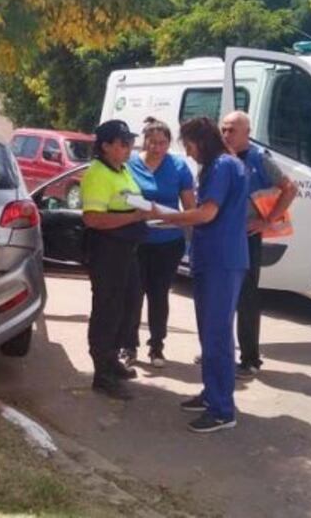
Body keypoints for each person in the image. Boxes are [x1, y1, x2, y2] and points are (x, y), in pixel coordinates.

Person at [156, 117, 249, 433]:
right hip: (214, 259)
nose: (190, 153)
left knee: (217, 335)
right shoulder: (221, 165)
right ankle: (213, 394)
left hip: (221, 260)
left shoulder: (223, 166)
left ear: (202, 141)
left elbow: (207, 212)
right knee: (211, 333)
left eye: (190, 145)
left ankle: (222, 410)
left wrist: (166, 216)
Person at [220, 111, 297, 379]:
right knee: (221, 297)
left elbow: (290, 188)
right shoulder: (221, 157)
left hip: (247, 238)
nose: (227, 134)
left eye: (232, 130)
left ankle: (250, 358)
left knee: (247, 298)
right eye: (224, 129)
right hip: (221, 236)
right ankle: (221, 350)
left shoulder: (259, 159)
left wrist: (268, 222)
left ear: (246, 132)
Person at [80, 119, 152, 400]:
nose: (128, 148)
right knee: (107, 309)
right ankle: (102, 373)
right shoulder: (98, 173)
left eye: (130, 143)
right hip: (107, 251)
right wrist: (134, 217)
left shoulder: (122, 170)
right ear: (106, 146)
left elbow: (131, 200)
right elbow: (92, 218)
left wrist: (146, 211)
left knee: (128, 303)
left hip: (127, 250)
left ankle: (111, 359)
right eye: (122, 143)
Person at [119, 117, 195, 369]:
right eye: (152, 142)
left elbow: (190, 207)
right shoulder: (129, 165)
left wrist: (175, 220)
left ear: (169, 144)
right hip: (136, 240)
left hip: (168, 241)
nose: (157, 148)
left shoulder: (179, 166)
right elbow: (120, 198)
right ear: (144, 142)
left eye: (162, 143)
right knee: (132, 294)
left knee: (158, 295)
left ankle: (157, 346)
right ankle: (128, 346)